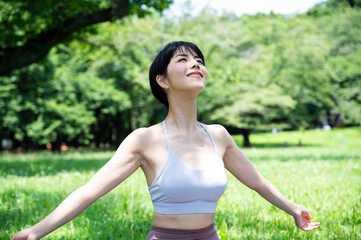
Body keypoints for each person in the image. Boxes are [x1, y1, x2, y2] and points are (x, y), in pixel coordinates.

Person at [12, 41, 320, 240]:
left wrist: (293, 209)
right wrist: (36, 232)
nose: (195, 64)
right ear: (162, 80)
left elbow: (258, 182)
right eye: (183, 60)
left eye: (199, 60)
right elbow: (89, 191)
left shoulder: (219, 136)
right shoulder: (144, 140)